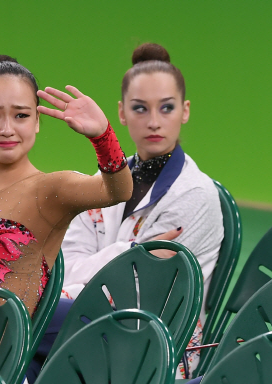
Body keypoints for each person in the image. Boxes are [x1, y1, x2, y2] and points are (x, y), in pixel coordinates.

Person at [35, 43, 223, 380]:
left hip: (158, 346)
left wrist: (106, 266)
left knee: (28, 315)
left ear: (185, 110)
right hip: (93, 321)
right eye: (140, 109)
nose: (153, 122)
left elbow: (136, 291)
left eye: (166, 108)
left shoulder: (196, 195)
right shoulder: (102, 182)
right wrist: (131, 252)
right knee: (31, 340)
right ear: (122, 113)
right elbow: (68, 264)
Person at [0, 55, 132, 317]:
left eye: (21, 115)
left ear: (36, 121)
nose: (7, 128)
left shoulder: (49, 190)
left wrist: (103, 137)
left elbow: (119, 191)